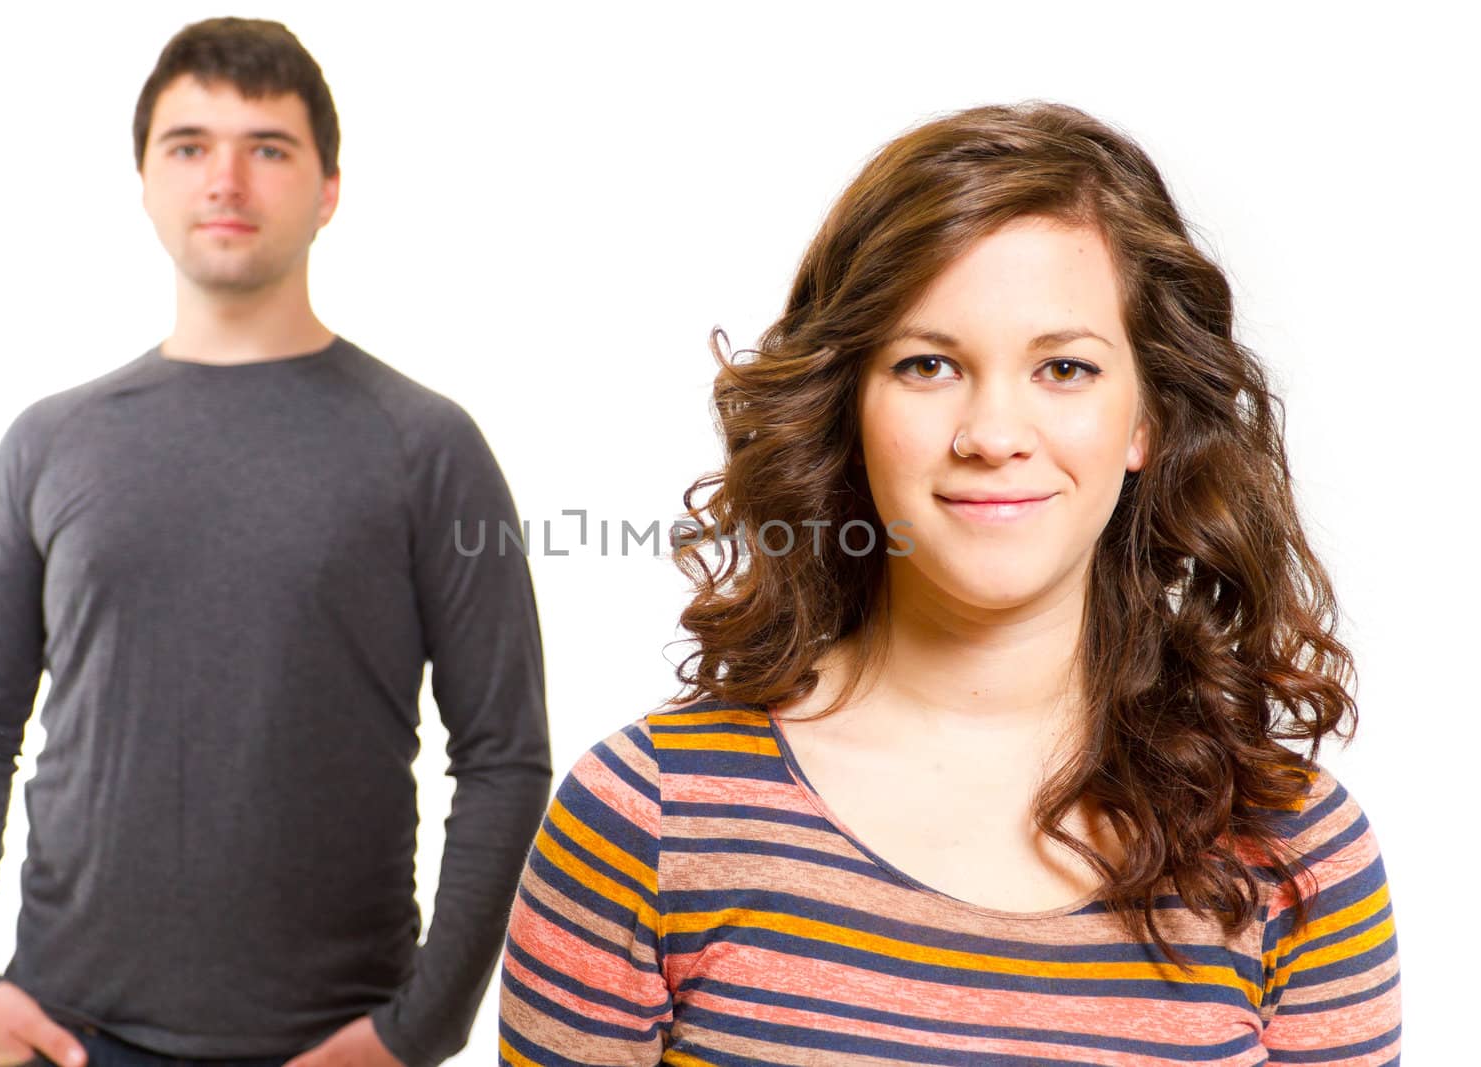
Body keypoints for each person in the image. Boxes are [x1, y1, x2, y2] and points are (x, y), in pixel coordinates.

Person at [497, 101, 1399, 1064]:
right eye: (928, 364)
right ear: (848, 406)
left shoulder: (1297, 855)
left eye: (1065, 366)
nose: (993, 434)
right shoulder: (651, 815)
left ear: (1147, 422)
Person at [0, 17, 551, 1067]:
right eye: (190, 145)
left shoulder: (426, 446)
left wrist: (421, 1026)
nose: (226, 179)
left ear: (328, 188)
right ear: (146, 182)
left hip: (334, 1041)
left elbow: (505, 753)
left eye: (268, 147)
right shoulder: (50, 442)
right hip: (72, 1033)